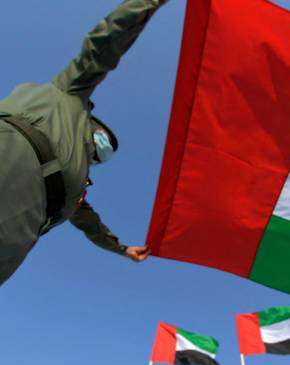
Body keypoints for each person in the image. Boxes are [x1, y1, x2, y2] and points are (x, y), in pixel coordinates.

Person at [0, 0, 169, 286]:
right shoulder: (70, 95)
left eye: (102, 156)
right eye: (104, 140)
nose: (100, 152)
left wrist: (121, 249)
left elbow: (91, 226)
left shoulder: (78, 191)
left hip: (21, 229)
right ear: (93, 124)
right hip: (13, 150)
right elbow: (104, 43)